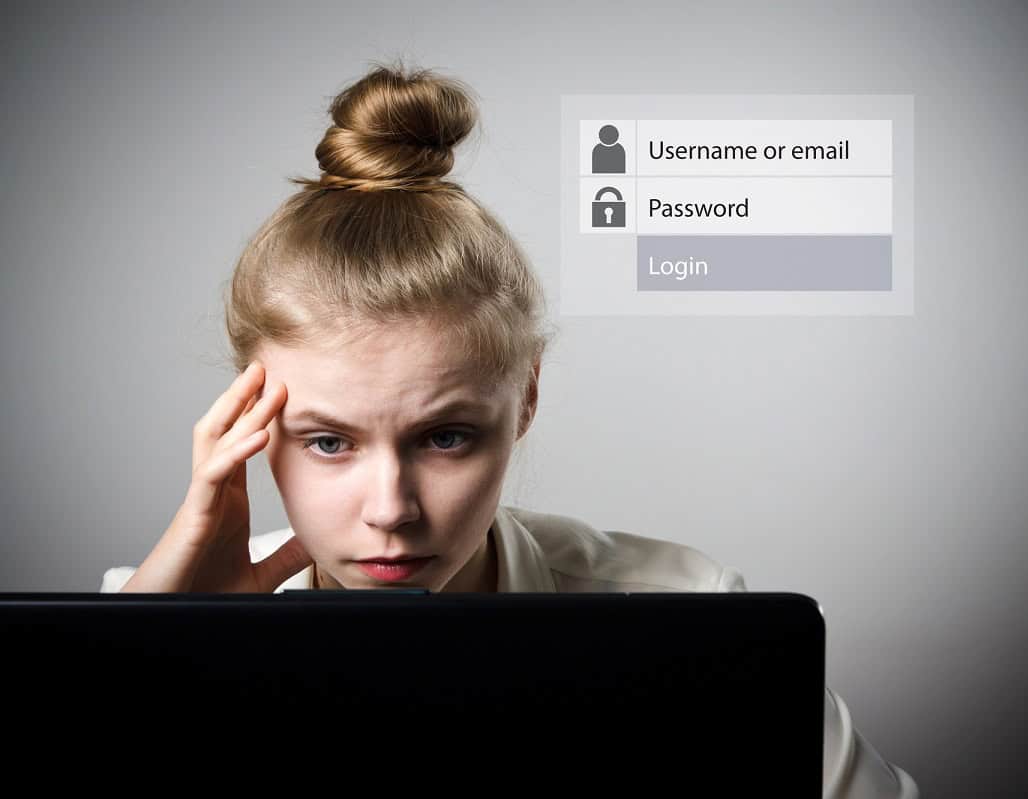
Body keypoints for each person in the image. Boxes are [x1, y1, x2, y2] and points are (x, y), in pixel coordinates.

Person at [100, 61, 918, 798]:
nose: (390, 509)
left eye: (445, 436)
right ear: (250, 425)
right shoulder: (152, 615)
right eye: (329, 441)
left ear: (524, 400)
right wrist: (162, 649)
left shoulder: (686, 617)